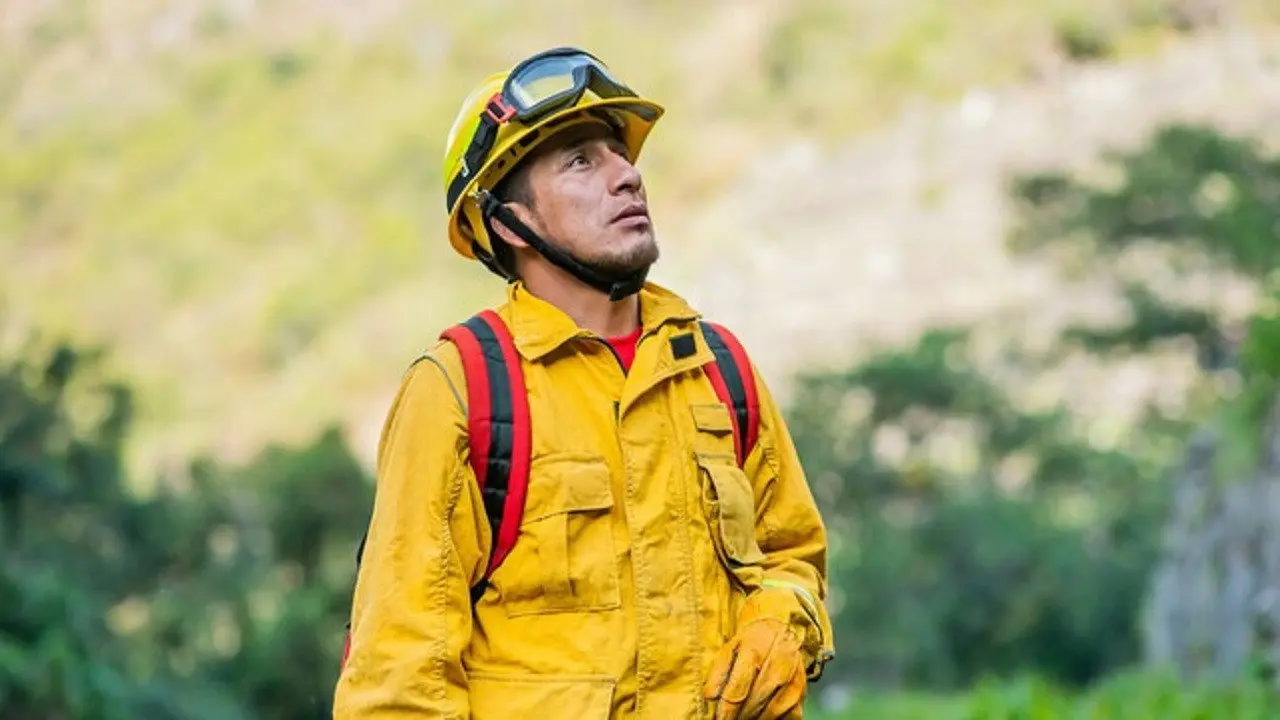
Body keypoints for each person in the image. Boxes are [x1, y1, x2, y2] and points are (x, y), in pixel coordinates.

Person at [332, 47, 835, 720]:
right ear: (509, 222)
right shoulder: (463, 389)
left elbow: (793, 556)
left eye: (620, 155)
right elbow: (399, 679)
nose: (627, 177)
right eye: (580, 161)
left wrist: (783, 617)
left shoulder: (718, 369)